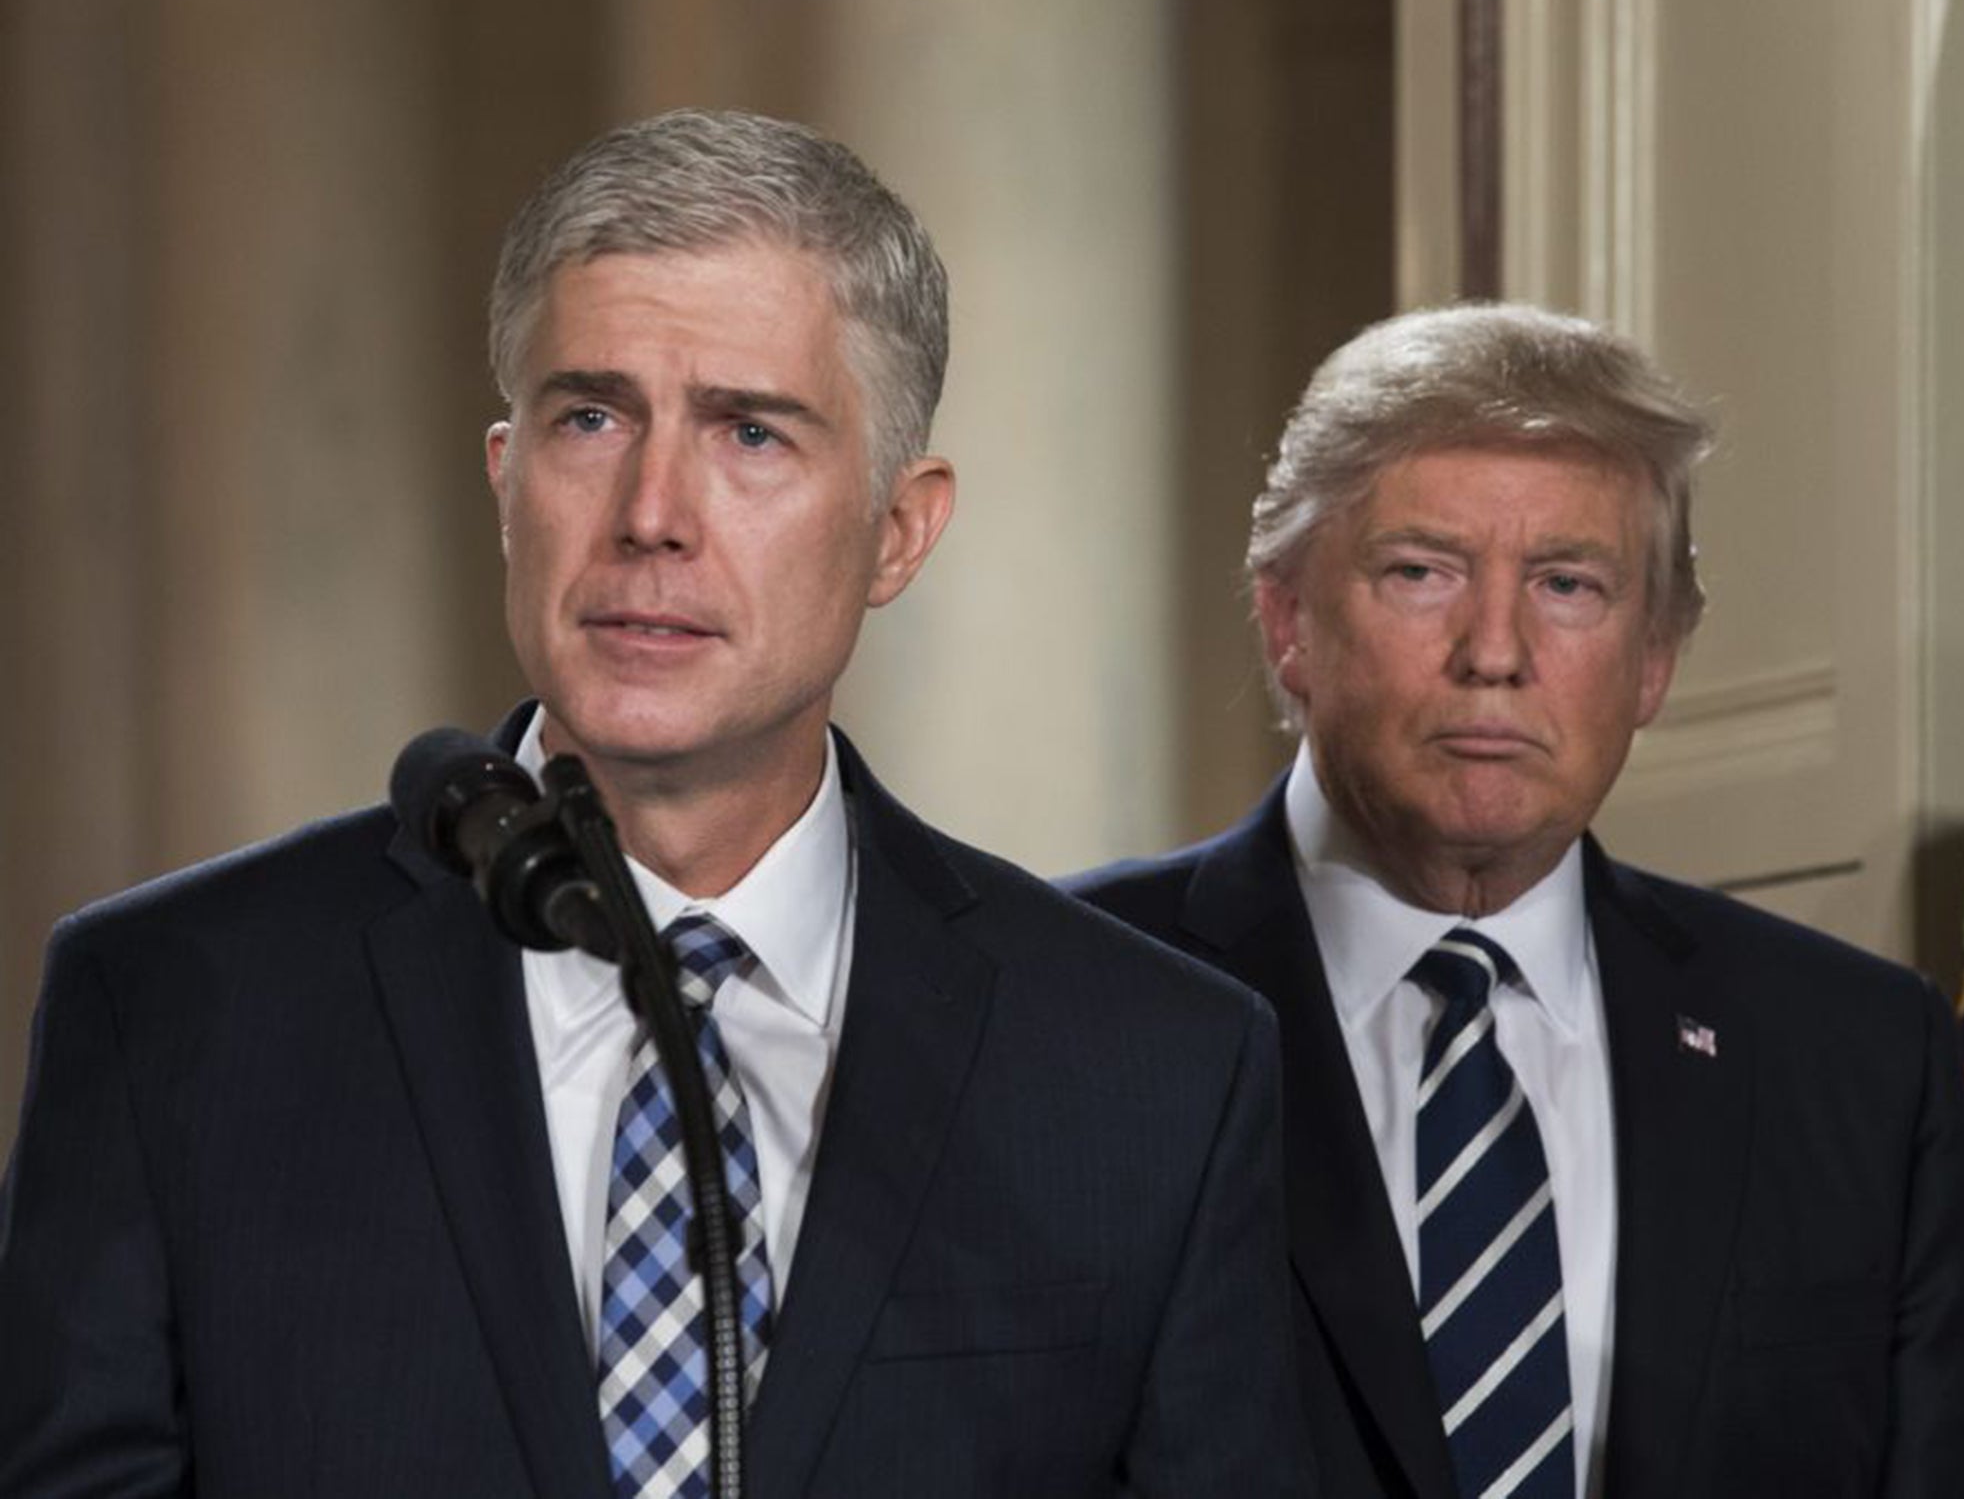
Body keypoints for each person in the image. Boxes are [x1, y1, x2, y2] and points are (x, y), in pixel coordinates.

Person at [0, 108, 1309, 1498]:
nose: (651, 513)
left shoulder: (1151, 1075)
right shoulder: (171, 1010)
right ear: (508, 482)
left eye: (751, 432)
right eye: (590, 417)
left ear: (899, 530)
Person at [1068, 302, 1964, 1498]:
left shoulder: (1857, 1058)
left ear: (1653, 659)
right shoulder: (1056, 1010)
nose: (1495, 649)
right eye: (1419, 572)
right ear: (1288, 624)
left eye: (1568, 584)